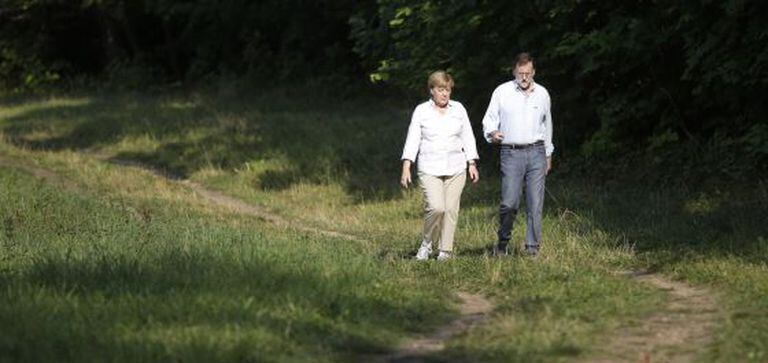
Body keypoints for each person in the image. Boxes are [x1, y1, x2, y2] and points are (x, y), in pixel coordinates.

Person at [400, 70, 480, 261]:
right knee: (437, 207)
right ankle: (427, 244)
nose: (445, 93)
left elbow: (467, 136)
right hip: (429, 167)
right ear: (432, 90)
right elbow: (413, 139)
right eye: (441, 89)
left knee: (451, 209)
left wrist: (472, 163)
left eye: (448, 89)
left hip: (456, 167)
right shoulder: (421, 111)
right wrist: (406, 166)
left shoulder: (459, 109)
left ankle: (445, 250)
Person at [482, 52, 554, 258]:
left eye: (528, 73)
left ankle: (532, 248)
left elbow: (547, 125)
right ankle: (503, 243)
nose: (524, 78)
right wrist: (492, 133)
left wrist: (548, 154)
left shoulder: (542, 94)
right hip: (511, 152)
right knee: (509, 202)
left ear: (534, 72)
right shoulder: (502, 92)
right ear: (514, 71)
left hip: (537, 152)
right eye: (520, 73)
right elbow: (489, 120)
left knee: (535, 203)